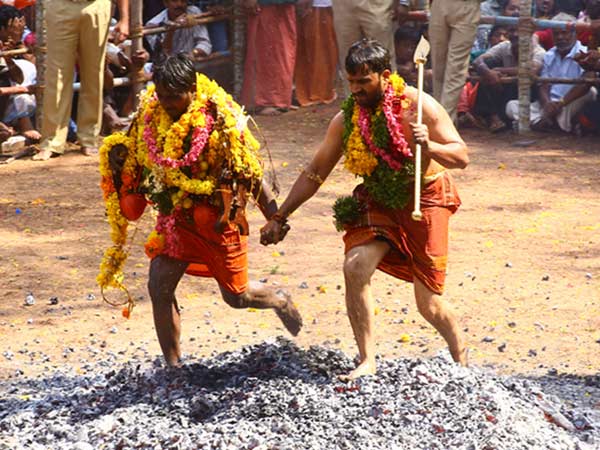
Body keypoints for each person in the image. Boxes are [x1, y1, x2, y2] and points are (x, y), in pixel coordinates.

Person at [260, 39, 469, 380]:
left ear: (385, 76)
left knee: (429, 305)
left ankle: (461, 358)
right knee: (355, 266)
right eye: (351, 82)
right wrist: (280, 216)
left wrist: (428, 144)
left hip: (426, 198)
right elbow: (315, 172)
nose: (356, 89)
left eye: (364, 82)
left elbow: (461, 156)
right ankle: (367, 359)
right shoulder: (347, 120)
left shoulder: (419, 107)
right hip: (379, 198)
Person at [98, 54, 302, 367]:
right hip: (177, 218)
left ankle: (279, 299)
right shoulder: (150, 114)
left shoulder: (220, 121)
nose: (166, 103)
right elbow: (133, 151)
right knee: (159, 283)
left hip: (218, 220)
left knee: (236, 297)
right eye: (161, 95)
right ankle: (173, 368)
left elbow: (249, 174)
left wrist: (274, 217)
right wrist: (118, 161)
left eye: (174, 96)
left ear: (192, 90)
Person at [33, 0, 130, 161]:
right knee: (56, 75)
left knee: (94, 74)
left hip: (96, 5)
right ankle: (51, 141)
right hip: (60, 5)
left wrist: (124, 19)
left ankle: (89, 138)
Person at [505, 12, 596, 132]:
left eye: (564, 32)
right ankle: (549, 123)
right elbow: (544, 84)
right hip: (549, 104)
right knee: (511, 106)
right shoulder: (549, 55)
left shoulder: (584, 53)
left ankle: (541, 122)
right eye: (556, 33)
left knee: (590, 92)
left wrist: (561, 103)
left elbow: (586, 83)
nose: (560, 37)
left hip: (568, 103)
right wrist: (547, 104)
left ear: (574, 33)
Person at [471, 25, 546, 131]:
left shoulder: (538, 51)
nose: (515, 34)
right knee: (487, 66)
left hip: (527, 92)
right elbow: (478, 61)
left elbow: (531, 70)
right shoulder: (504, 46)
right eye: (512, 30)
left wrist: (499, 70)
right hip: (505, 88)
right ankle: (493, 118)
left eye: (520, 31)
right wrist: (488, 73)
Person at [240, 0, 298, 116]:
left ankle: (282, 99)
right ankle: (263, 103)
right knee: (265, 54)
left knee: (284, 54)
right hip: (265, 8)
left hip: (284, 7)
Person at [428, 0, 481, 124]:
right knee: (438, 66)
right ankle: (439, 117)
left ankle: (444, 121)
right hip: (439, 4)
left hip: (467, 5)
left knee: (456, 68)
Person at [293, 0, 338, 107]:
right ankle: (307, 92)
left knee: (320, 49)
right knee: (307, 49)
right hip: (305, 6)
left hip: (319, 6)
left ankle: (319, 92)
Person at [145, 0, 212, 63]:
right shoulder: (153, 24)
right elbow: (162, 54)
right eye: (174, 0)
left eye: (183, 0)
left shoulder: (194, 12)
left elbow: (205, 43)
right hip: (169, 68)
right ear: (166, 3)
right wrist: (171, 31)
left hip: (194, 64)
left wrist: (193, 53)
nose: (179, 4)